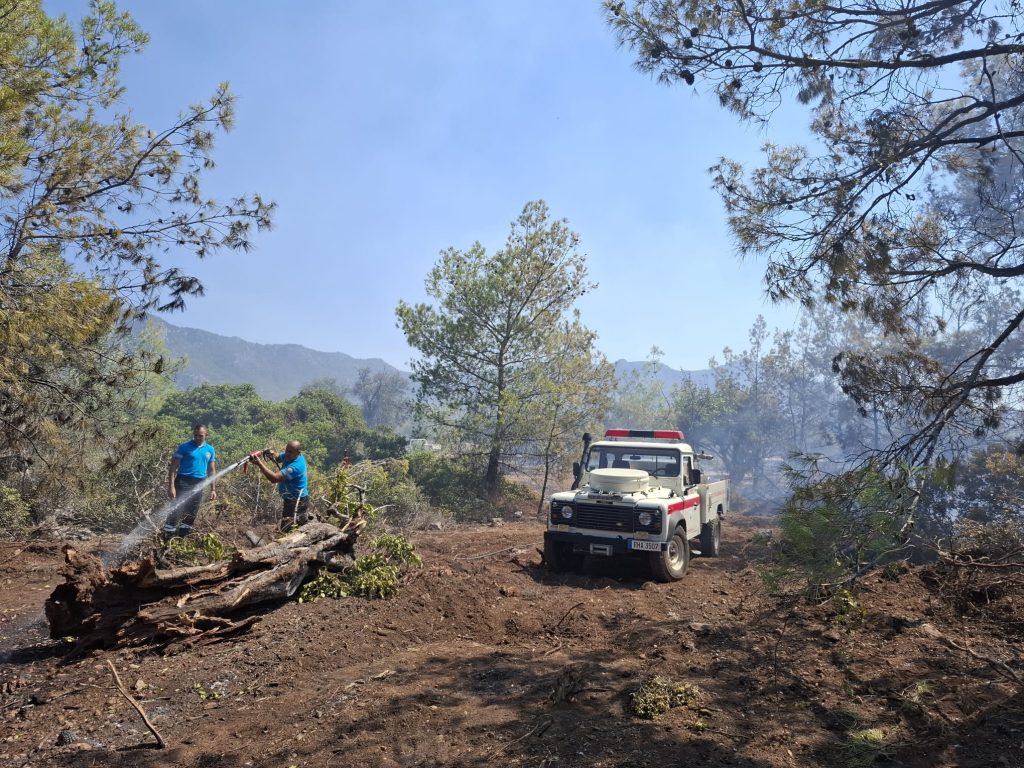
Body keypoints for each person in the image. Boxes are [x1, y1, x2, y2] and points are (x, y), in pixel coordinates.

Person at [165, 424, 217, 539]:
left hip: (199, 483)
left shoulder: (210, 450)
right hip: (183, 481)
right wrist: (171, 487)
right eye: (195, 435)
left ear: (206, 435)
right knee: (176, 508)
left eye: (200, 435)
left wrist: (213, 489)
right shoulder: (184, 447)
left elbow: (212, 470)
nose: (197, 438)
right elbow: (173, 467)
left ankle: (182, 536)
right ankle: (167, 535)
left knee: (192, 510)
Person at [249, 440, 309, 531]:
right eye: (286, 451)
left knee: (289, 529)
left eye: (290, 452)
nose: (287, 454)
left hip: (297, 502)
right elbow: (278, 458)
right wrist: (271, 453)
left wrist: (259, 463)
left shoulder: (296, 466)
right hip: (290, 500)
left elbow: (275, 478)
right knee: (288, 527)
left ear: (298, 452)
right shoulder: (291, 455)